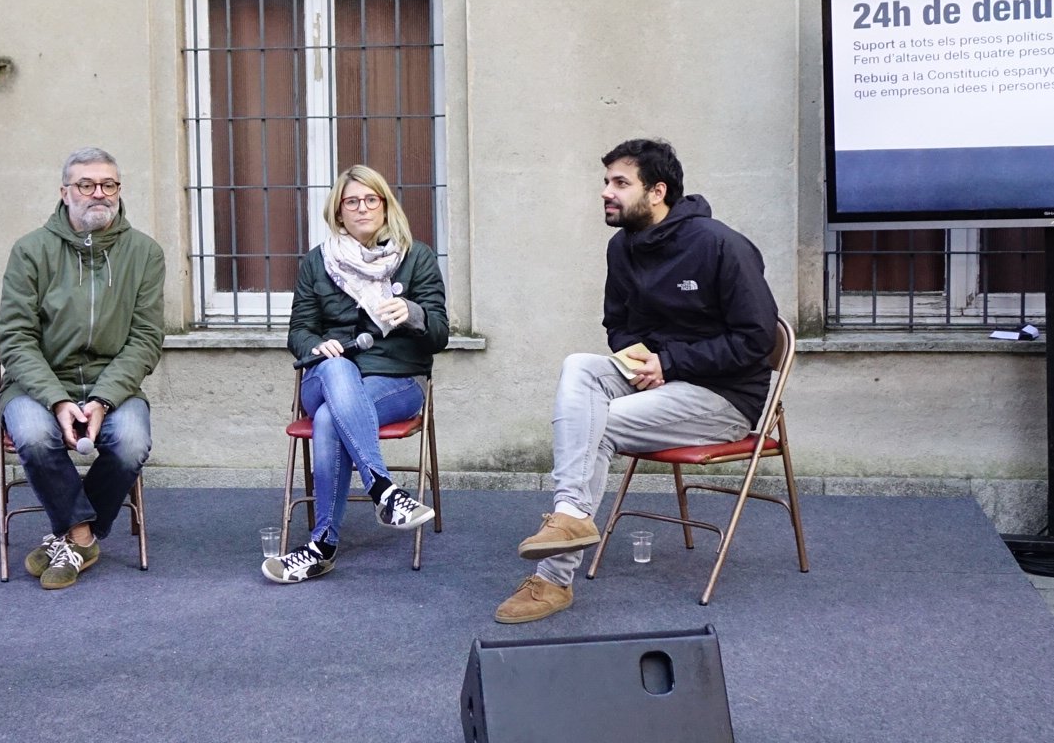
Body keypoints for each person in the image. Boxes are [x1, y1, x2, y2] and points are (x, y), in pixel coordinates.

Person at [494, 139, 778, 623]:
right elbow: (618, 324)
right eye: (606, 182)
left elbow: (756, 340)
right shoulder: (622, 248)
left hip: (723, 397)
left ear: (657, 191)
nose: (607, 192)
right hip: (656, 382)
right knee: (579, 366)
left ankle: (553, 580)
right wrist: (638, 356)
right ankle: (570, 515)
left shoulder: (720, 245)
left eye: (620, 183)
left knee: (598, 425)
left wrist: (670, 363)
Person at [265, 165, 449, 584]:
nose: (362, 208)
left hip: (397, 382)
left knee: (332, 418)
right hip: (325, 377)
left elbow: (440, 335)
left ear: (385, 207)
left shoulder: (415, 257)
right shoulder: (318, 263)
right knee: (336, 367)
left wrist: (414, 314)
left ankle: (322, 546)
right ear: (338, 212)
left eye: (371, 199)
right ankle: (384, 489)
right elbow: (299, 330)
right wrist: (315, 346)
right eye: (352, 201)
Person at [0, 148, 164, 590]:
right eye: (86, 185)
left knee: (130, 442)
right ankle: (83, 536)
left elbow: (146, 339)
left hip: (115, 385)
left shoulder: (144, 253)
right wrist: (57, 400)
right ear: (65, 192)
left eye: (109, 185)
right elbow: (14, 338)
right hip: (37, 385)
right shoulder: (30, 251)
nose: (99, 194)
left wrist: (104, 400)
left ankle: (69, 540)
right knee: (33, 436)